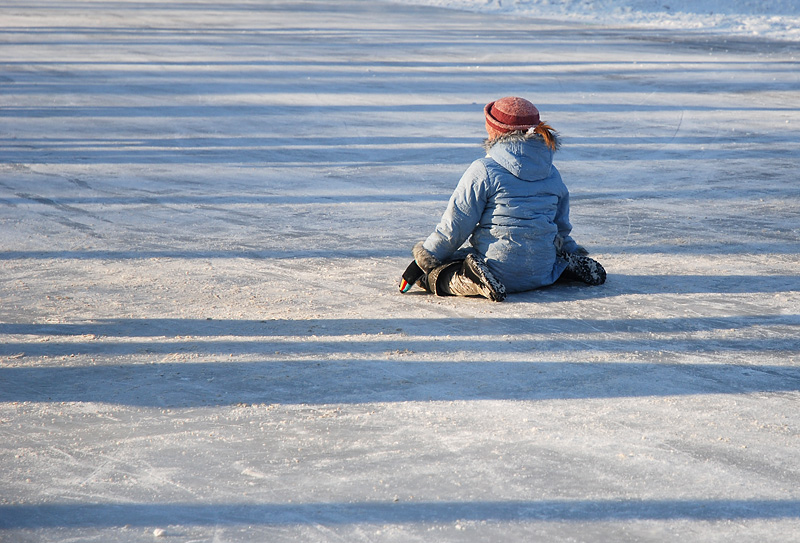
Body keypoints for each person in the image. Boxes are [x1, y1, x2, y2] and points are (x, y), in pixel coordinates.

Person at [399, 96, 606, 302]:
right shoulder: (552, 173)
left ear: (495, 131)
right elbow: (560, 226)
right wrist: (572, 252)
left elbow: (455, 226)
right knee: (542, 257)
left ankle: (475, 278)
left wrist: (421, 262)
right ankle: (563, 267)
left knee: (435, 276)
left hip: (498, 267)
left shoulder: (484, 170)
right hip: (542, 270)